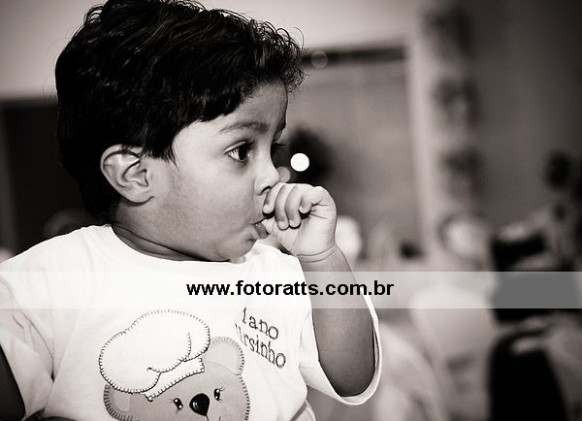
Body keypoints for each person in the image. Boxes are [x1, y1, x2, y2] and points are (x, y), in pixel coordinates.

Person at [0, 1, 380, 420]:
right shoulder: (46, 284)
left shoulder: (273, 273)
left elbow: (353, 378)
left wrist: (322, 259)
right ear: (135, 174)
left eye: (273, 149)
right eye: (241, 151)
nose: (273, 175)